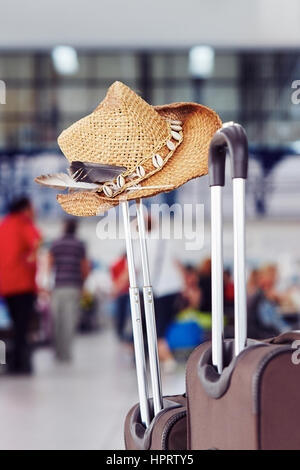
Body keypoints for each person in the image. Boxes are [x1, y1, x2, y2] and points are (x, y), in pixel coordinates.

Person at [0, 196, 41, 374]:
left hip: (6, 285)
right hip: (23, 283)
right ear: (25, 209)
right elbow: (37, 241)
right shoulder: (24, 223)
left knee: (15, 324)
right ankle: (20, 364)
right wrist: (31, 260)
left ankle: (14, 362)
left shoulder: (4, 224)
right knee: (22, 326)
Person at [48, 219, 90, 362]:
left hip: (58, 287)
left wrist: (46, 286)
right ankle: (66, 353)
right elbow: (85, 267)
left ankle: (58, 352)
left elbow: (49, 265)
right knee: (69, 321)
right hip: (73, 287)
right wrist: (83, 285)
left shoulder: (56, 244)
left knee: (56, 320)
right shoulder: (80, 245)